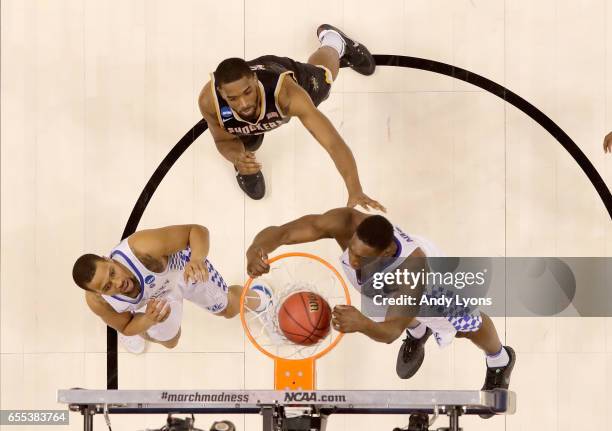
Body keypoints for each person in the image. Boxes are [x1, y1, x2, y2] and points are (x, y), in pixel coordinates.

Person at [246, 209, 515, 418]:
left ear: (386, 252)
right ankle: (419, 331)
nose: (352, 261)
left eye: (361, 258)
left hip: (434, 286)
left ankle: (499, 359)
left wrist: (362, 323)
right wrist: (257, 249)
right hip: (395, 289)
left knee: (468, 325)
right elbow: (282, 233)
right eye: (351, 250)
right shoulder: (347, 222)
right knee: (394, 305)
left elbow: (390, 331)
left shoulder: (413, 270)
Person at [198, 24, 383, 212]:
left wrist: (355, 189)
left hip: (280, 72)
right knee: (247, 146)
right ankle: (246, 167)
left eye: (247, 92)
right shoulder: (209, 102)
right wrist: (238, 159)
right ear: (221, 92)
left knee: (324, 79)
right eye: (233, 98)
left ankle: (335, 42)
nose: (244, 104)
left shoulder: (288, 94)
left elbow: (333, 143)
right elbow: (223, 139)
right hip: (246, 119)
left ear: (254, 80)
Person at [72, 224, 271, 353]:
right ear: (99, 293)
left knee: (228, 309)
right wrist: (147, 320)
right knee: (170, 341)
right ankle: (144, 329)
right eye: (108, 287)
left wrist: (197, 259)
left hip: (183, 272)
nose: (118, 283)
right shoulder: (97, 302)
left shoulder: (141, 248)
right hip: (156, 302)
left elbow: (197, 231)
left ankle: (262, 299)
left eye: (112, 273)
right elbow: (125, 327)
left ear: (108, 259)